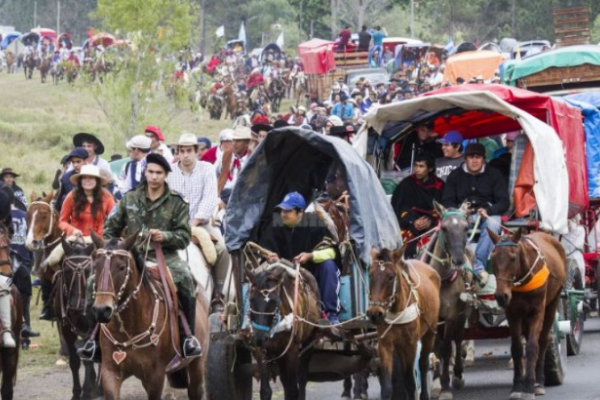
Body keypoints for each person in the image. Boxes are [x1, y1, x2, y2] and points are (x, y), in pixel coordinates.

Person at [78, 154, 202, 362]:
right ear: (145, 173)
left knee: (186, 278)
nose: (154, 177)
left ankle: (187, 337)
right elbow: (110, 228)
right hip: (129, 255)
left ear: (165, 175)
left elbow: (183, 236)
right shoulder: (130, 198)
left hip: (165, 256)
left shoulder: (177, 202)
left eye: (159, 173)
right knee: (92, 281)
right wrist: (116, 248)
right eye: (151, 172)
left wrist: (165, 236)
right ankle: (93, 339)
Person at [167, 133, 230, 312]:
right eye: (181, 151)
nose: (185, 155)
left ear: (196, 152)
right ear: (177, 153)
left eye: (189, 151)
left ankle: (219, 293)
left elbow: (210, 198)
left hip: (200, 223)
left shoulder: (206, 169)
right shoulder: (169, 172)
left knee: (223, 249)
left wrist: (194, 222)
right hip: (174, 225)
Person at [260, 192, 341, 324]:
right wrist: (270, 257)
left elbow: (332, 252)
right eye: (282, 210)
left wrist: (311, 256)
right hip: (283, 276)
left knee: (329, 266)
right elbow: (265, 249)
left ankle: (331, 315)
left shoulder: (315, 223)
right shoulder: (275, 224)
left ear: (300, 213)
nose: (283, 214)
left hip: (313, 275)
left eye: (288, 211)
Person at [442, 143, 509, 273]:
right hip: (461, 215)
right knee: (452, 225)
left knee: (493, 225)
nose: (474, 160)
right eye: (471, 157)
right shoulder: (455, 175)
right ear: (465, 159)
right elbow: (447, 200)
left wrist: (488, 211)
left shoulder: (494, 174)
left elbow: (504, 201)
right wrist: (459, 211)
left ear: (483, 159)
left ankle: (478, 266)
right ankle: (457, 264)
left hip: (486, 214)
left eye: (477, 157)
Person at [391, 152, 444, 258]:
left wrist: (431, 221)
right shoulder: (406, 184)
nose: (417, 169)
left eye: (421, 166)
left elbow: (442, 209)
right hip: (408, 224)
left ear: (430, 169)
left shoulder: (439, 186)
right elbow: (397, 207)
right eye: (416, 165)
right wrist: (412, 221)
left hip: (432, 225)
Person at [3, 187, 39, 338]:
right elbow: (31, 241)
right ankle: (25, 330)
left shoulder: (4, 219)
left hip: (5, 263)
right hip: (23, 262)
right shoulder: (25, 216)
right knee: (24, 298)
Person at [216, 126, 252, 202]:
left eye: (238, 141)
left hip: (243, 196)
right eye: (233, 140)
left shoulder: (252, 158)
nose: (234, 144)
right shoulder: (225, 154)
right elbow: (214, 173)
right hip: (224, 194)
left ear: (247, 142)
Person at [56, 147, 90, 211]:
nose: (75, 165)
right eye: (73, 162)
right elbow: (60, 200)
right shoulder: (66, 177)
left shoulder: (95, 176)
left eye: (78, 162)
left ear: (86, 161)